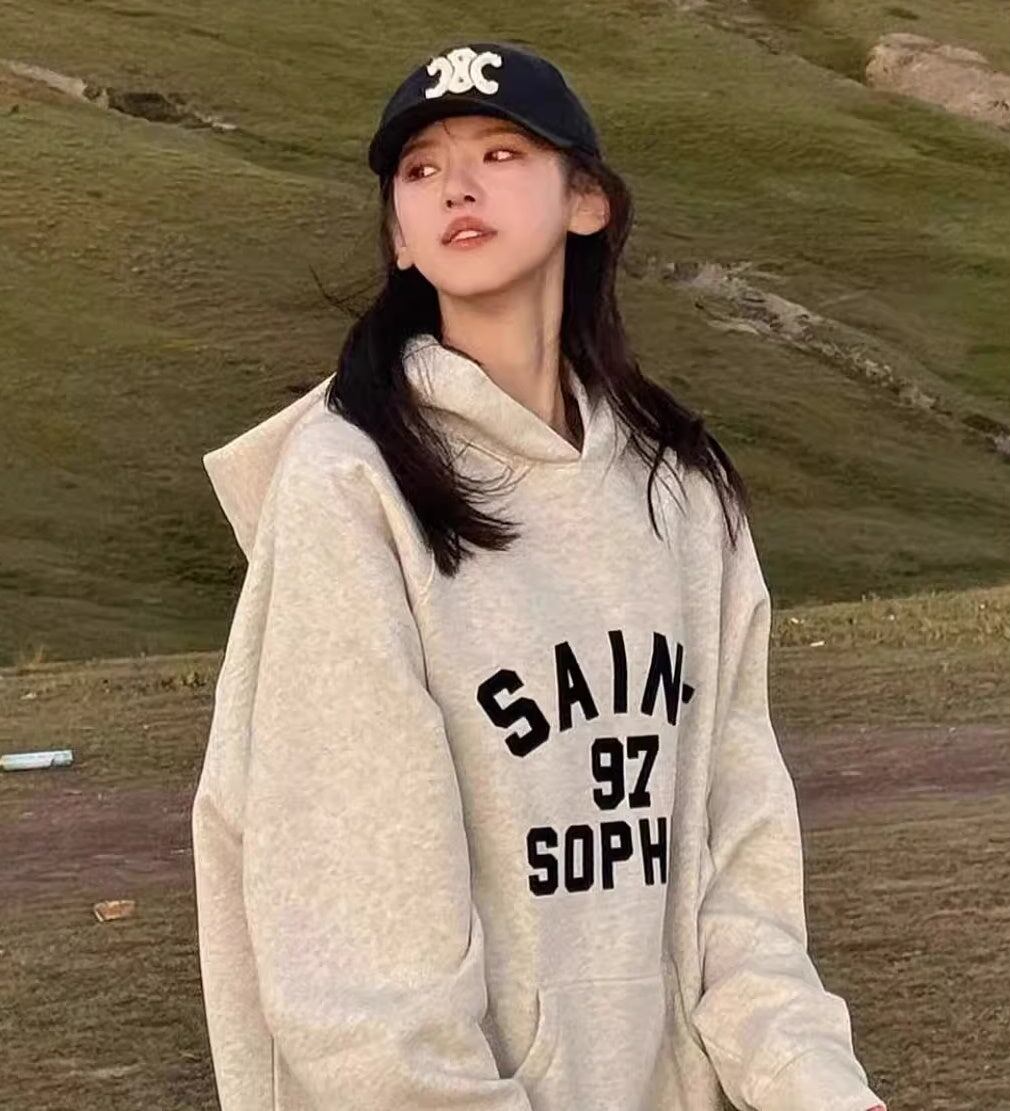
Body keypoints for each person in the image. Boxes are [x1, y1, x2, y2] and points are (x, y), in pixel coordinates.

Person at [190, 38, 888, 1111]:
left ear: (587, 202)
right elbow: (356, 924)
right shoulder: (350, 484)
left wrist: (814, 1086)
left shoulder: (681, 489)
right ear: (399, 236)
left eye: (501, 152)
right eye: (420, 168)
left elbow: (734, 855)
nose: (455, 186)